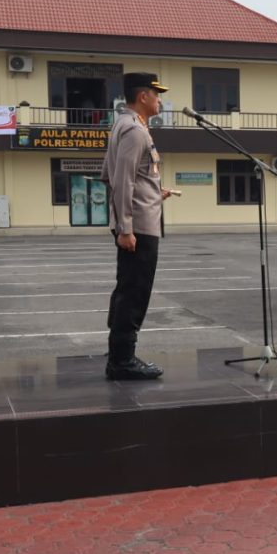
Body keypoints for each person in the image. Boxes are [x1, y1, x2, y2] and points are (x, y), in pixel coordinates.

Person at [103, 72, 174, 381]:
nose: (160, 100)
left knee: (127, 288)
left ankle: (118, 353)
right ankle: (122, 360)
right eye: (156, 95)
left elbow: (113, 174)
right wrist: (126, 228)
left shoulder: (124, 124)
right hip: (139, 227)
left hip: (140, 217)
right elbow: (121, 180)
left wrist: (153, 193)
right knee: (135, 292)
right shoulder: (134, 130)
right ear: (143, 96)